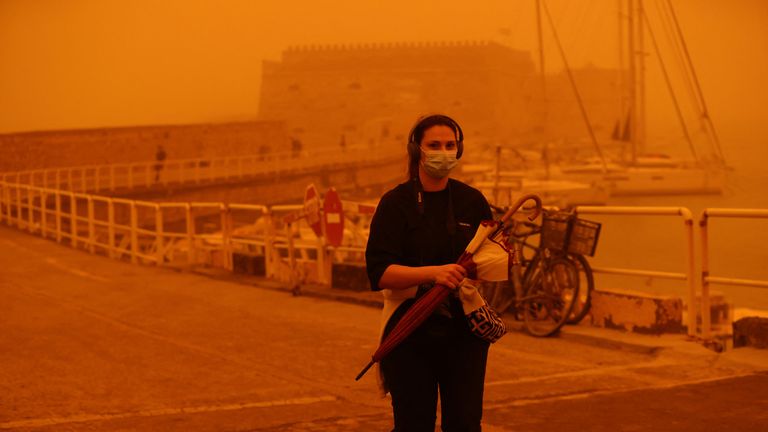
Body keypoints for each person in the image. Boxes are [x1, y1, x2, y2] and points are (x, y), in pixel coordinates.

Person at [365, 114, 493, 431]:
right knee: (413, 424)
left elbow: (487, 263)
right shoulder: (395, 204)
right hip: (409, 329)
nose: (443, 152)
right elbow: (380, 272)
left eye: (450, 145)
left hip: (464, 332)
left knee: (465, 423)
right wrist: (434, 274)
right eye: (434, 145)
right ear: (417, 150)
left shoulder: (472, 201)